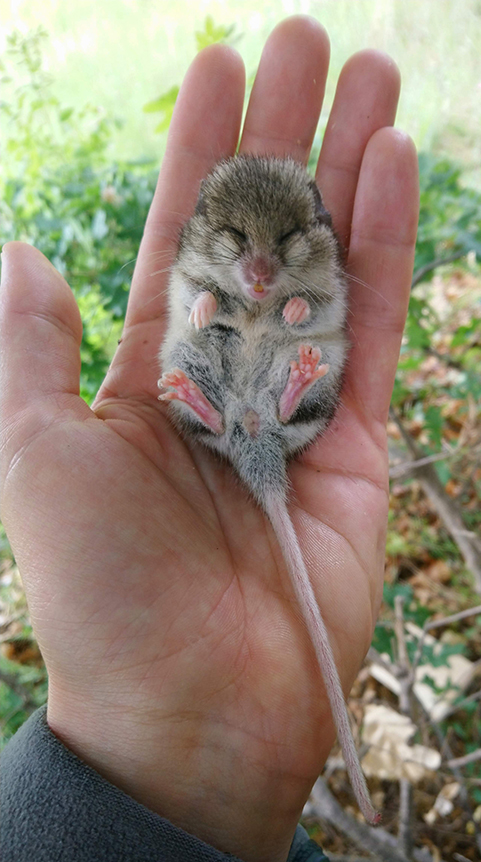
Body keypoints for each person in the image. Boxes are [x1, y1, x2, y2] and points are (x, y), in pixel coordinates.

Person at [0, 15, 419, 862]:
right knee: (193, 354)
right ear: (206, 240)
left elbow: (321, 312)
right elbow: (207, 298)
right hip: (225, 416)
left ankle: (279, 397)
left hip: (276, 411)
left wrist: (295, 327)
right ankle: (216, 402)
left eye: (282, 251)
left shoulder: (311, 271)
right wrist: (216, 314)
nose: (260, 270)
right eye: (238, 250)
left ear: (309, 237)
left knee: (316, 352)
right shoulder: (198, 271)